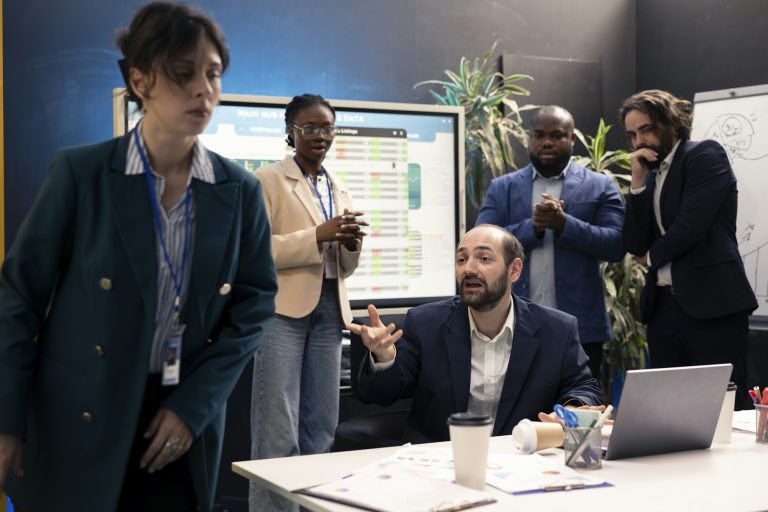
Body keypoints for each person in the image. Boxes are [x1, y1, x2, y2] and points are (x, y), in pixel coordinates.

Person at [0, 3, 277, 511]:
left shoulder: (238, 190)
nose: (203, 89)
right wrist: (5, 419)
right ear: (140, 80)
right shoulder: (81, 175)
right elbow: (16, 300)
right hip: (80, 410)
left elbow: (254, 306)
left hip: (177, 414)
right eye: (183, 73)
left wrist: (195, 406)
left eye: (213, 74)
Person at [350, 224, 601, 443]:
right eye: (461, 259)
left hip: (521, 459)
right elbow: (381, 394)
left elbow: (583, 385)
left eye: (484, 259)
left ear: (514, 270)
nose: (469, 269)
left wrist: (572, 409)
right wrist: (384, 358)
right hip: (441, 463)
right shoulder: (426, 323)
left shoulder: (556, 330)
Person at [250, 94, 367, 512]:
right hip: (283, 314)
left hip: (330, 312)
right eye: (310, 128)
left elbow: (344, 266)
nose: (320, 136)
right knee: (277, 432)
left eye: (327, 128)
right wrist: (318, 235)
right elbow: (253, 252)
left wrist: (350, 244)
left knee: (322, 430)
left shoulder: (338, 187)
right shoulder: (266, 179)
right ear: (290, 132)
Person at [620, 89, 757, 410]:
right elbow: (634, 243)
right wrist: (637, 182)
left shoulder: (704, 155)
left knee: (724, 412)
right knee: (670, 410)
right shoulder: (651, 174)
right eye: (632, 134)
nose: (639, 141)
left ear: (670, 123)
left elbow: (690, 227)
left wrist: (651, 257)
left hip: (714, 306)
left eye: (647, 129)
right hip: (663, 309)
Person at [476, 106, 625, 384]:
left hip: (581, 330)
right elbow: (482, 244)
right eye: (539, 135)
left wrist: (564, 224)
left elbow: (616, 244)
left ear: (572, 140)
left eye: (557, 135)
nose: (547, 142)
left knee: (581, 411)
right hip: (512, 327)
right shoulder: (502, 187)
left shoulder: (600, 186)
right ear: (530, 138)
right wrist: (532, 227)